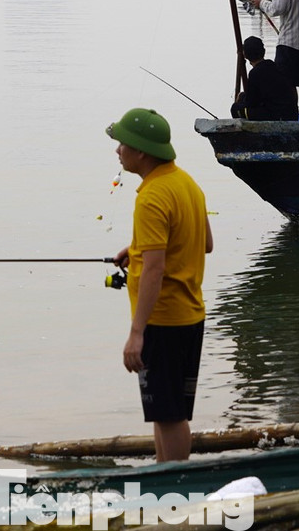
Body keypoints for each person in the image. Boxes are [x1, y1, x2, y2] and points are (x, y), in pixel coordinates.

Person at [106, 108, 213, 461]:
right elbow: (205, 242)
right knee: (165, 411)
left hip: (162, 322)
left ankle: (178, 487)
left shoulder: (151, 197)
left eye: (122, 143)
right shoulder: (185, 183)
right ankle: (163, 475)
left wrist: (137, 333)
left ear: (141, 151)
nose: (117, 150)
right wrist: (137, 249)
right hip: (190, 315)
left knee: (170, 415)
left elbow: (154, 269)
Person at [231, 35, 298, 120]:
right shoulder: (275, 66)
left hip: (276, 116)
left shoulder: (255, 73)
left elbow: (252, 102)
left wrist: (239, 103)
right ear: (264, 51)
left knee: (235, 109)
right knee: (242, 97)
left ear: (245, 55)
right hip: (291, 114)